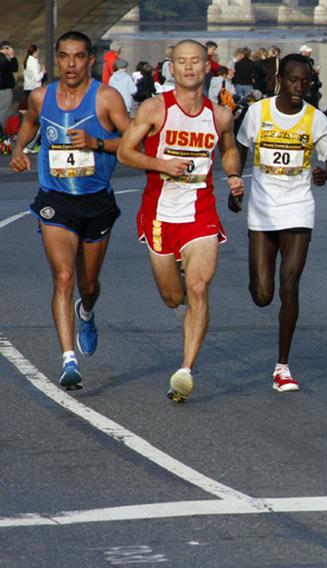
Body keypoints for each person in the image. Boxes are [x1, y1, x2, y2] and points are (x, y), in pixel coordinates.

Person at [117, 39, 245, 404]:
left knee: (200, 289)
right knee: (173, 296)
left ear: (208, 67)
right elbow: (126, 152)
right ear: (171, 68)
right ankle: (183, 291)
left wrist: (233, 175)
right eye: (182, 62)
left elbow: (229, 148)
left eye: (196, 62)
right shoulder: (155, 109)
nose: (189, 68)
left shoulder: (219, 114)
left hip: (200, 214)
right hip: (159, 215)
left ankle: (185, 370)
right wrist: (161, 165)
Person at [8, 31, 131, 389]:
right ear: (56, 60)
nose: (71, 64)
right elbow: (29, 124)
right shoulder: (40, 96)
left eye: (79, 57)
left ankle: (87, 311)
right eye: (64, 56)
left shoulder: (106, 98)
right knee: (63, 277)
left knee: (88, 283)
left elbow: (134, 139)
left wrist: (97, 142)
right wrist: (19, 151)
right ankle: (68, 361)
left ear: (91, 60)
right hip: (55, 199)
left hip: (96, 202)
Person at [233, 54, 327, 391]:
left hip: (297, 208)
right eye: (294, 80)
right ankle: (256, 282)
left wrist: (326, 172)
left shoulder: (315, 119)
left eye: (305, 82)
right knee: (263, 295)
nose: (299, 87)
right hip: (262, 211)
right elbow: (239, 146)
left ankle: (283, 367)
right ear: (280, 79)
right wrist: (235, 182)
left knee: (290, 284)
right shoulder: (258, 113)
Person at [0, 41, 18, 125]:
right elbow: (14, 67)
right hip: (4, 90)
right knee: (3, 112)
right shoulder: (2, 59)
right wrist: (12, 56)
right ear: (5, 49)